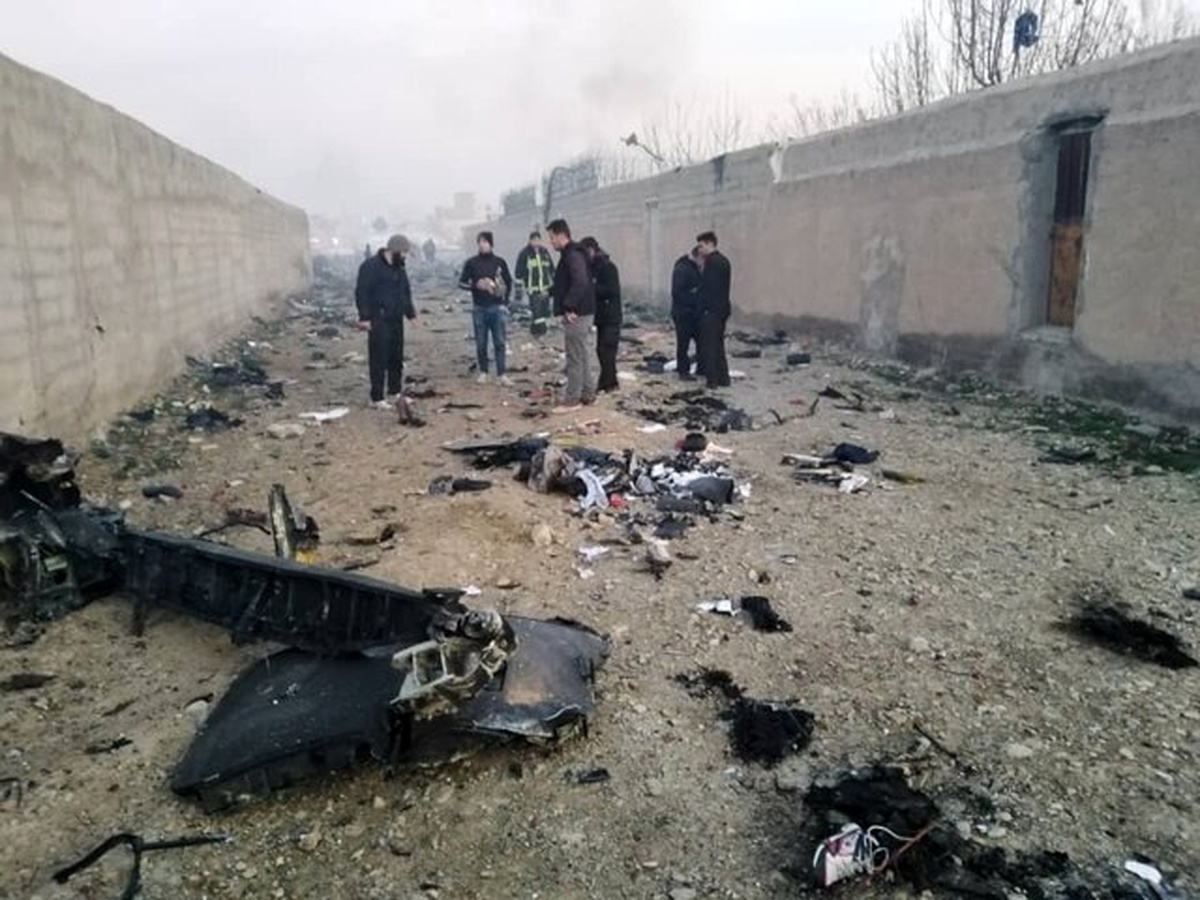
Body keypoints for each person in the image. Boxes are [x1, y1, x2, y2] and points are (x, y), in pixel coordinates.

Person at [355, 234, 417, 409]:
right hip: (378, 319)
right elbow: (362, 293)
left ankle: (394, 391)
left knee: (396, 356)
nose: (405, 256)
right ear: (394, 250)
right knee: (379, 358)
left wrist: (410, 314)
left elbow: (405, 292)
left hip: (396, 318)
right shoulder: (370, 267)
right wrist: (364, 317)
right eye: (403, 252)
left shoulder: (399, 268)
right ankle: (377, 397)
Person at [547, 219, 595, 412]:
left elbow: (580, 282)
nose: (551, 242)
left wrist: (569, 306)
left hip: (577, 313)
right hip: (582, 311)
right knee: (581, 354)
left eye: (552, 237)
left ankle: (572, 399)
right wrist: (552, 292)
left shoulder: (572, 255)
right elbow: (567, 282)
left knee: (574, 357)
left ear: (561, 235)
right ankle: (588, 393)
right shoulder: (571, 254)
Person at [458, 231, 514, 385]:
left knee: (500, 342)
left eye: (485, 242)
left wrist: (505, 301)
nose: (482, 245)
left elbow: (509, 282)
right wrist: (475, 286)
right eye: (480, 242)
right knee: (481, 342)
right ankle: (484, 372)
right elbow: (461, 283)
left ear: (491, 244)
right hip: (479, 308)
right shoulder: (471, 263)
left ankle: (501, 374)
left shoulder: (499, 262)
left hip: (497, 308)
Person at [580, 236, 621, 394]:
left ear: (592, 250)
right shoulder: (593, 267)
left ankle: (609, 384)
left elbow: (612, 290)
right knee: (600, 350)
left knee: (607, 351)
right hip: (601, 317)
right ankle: (608, 382)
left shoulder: (608, 267)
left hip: (611, 316)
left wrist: (592, 287)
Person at [696, 231, 732, 389]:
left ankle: (712, 380)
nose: (700, 250)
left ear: (710, 243)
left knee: (709, 346)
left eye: (701, 246)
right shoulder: (724, 260)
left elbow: (708, 288)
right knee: (718, 344)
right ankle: (724, 378)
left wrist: (702, 309)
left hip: (711, 311)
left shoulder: (712, 262)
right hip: (722, 309)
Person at [671, 246, 704, 381]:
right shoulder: (683, 269)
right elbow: (677, 293)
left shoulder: (693, 268)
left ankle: (700, 368)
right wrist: (694, 295)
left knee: (700, 342)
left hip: (692, 313)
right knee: (683, 343)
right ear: (697, 256)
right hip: (683, 313)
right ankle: (683, 371)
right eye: (703, 259)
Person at [514, 231, 555, 337]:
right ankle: (541, 333)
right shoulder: (525, 254)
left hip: (545, 289)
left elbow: (551, 269)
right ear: (530, 241)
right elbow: (518, 272)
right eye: (534, 240)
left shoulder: (544, 252)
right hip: (533, 290)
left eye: (538, 240)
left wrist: (555, 286)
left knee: (544, 311)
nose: (536, 242)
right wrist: (518, 292)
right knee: (537, 313)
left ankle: (535, 331)